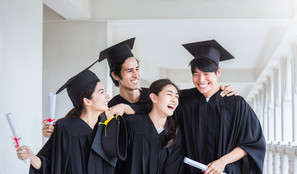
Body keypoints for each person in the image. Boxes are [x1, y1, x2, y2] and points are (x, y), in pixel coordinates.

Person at [42, 38, 238, 138]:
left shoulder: (155, 96)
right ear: (115, 76)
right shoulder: (111, 107)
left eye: (137, 69)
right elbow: (86, 120)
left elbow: (196, 97)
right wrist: (58, 127)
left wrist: (220, 90)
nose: (136, 75)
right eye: (129, 71)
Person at [174, 39, 266, 174]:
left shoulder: (235, 104)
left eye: (206, 74)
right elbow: (156, 99)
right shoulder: (184, 101)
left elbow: (252, 142)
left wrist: (223, 161)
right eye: (196, 74)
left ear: (218, 72)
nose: (201, 80)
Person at [16, 69, 121, 174]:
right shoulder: (66, 128)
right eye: (102, 92)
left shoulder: (109, 126)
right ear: (87, 100)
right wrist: (31, 157)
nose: (107, 95)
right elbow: (50, 163)